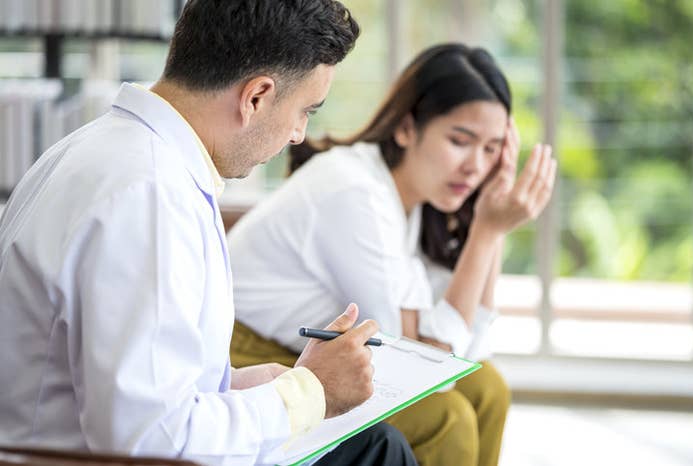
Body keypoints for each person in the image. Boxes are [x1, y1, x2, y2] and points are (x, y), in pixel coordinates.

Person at [0, 1, 418, 466]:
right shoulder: (149, 196)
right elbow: (150, 444)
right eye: (306, 111)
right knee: (380, 453)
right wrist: (306, 392)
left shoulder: (100, 152)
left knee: (376, 446)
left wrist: (242, 385)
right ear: (256, 96)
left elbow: (129, 383)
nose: (299, 134)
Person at [226, 43, 557, 466]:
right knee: (447, 417)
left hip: (308, 351)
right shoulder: (355, 191)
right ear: (405, 128)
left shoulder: (409, 202)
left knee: (487, 387)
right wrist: (487, 233)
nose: (476, 166)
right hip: (253, 357)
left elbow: (466, 352)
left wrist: (489, 225)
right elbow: (425, 368)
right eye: (460, 140)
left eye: (492, 149)